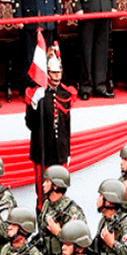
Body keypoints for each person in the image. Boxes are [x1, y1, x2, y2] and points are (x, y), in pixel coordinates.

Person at [26, 53, 74, 189]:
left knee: (60, 190)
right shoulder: (37, 94)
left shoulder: (64, 94)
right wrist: (34, 105)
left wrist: (68, 152)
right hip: (43, 151)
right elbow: (30, 124)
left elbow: (67, 127)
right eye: (53, 73)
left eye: (59, 73)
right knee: (43, 193)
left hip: (60, 152)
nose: (57, 76)